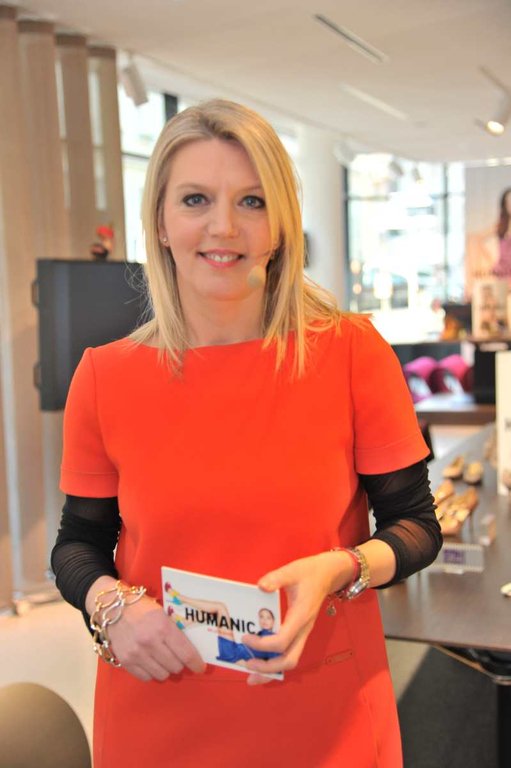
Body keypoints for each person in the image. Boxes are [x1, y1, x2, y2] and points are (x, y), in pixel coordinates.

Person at [51, 99, 442, 768]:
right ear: (161, 223)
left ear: (280, 226)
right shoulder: (104, 377)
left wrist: (343, 568)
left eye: (252, 202)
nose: (223, 227)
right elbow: (79, 545)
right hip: (157, 708)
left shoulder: (351, 354)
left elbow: (415, 527)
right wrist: (111, 605)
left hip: (325, 713)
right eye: (195, 200)